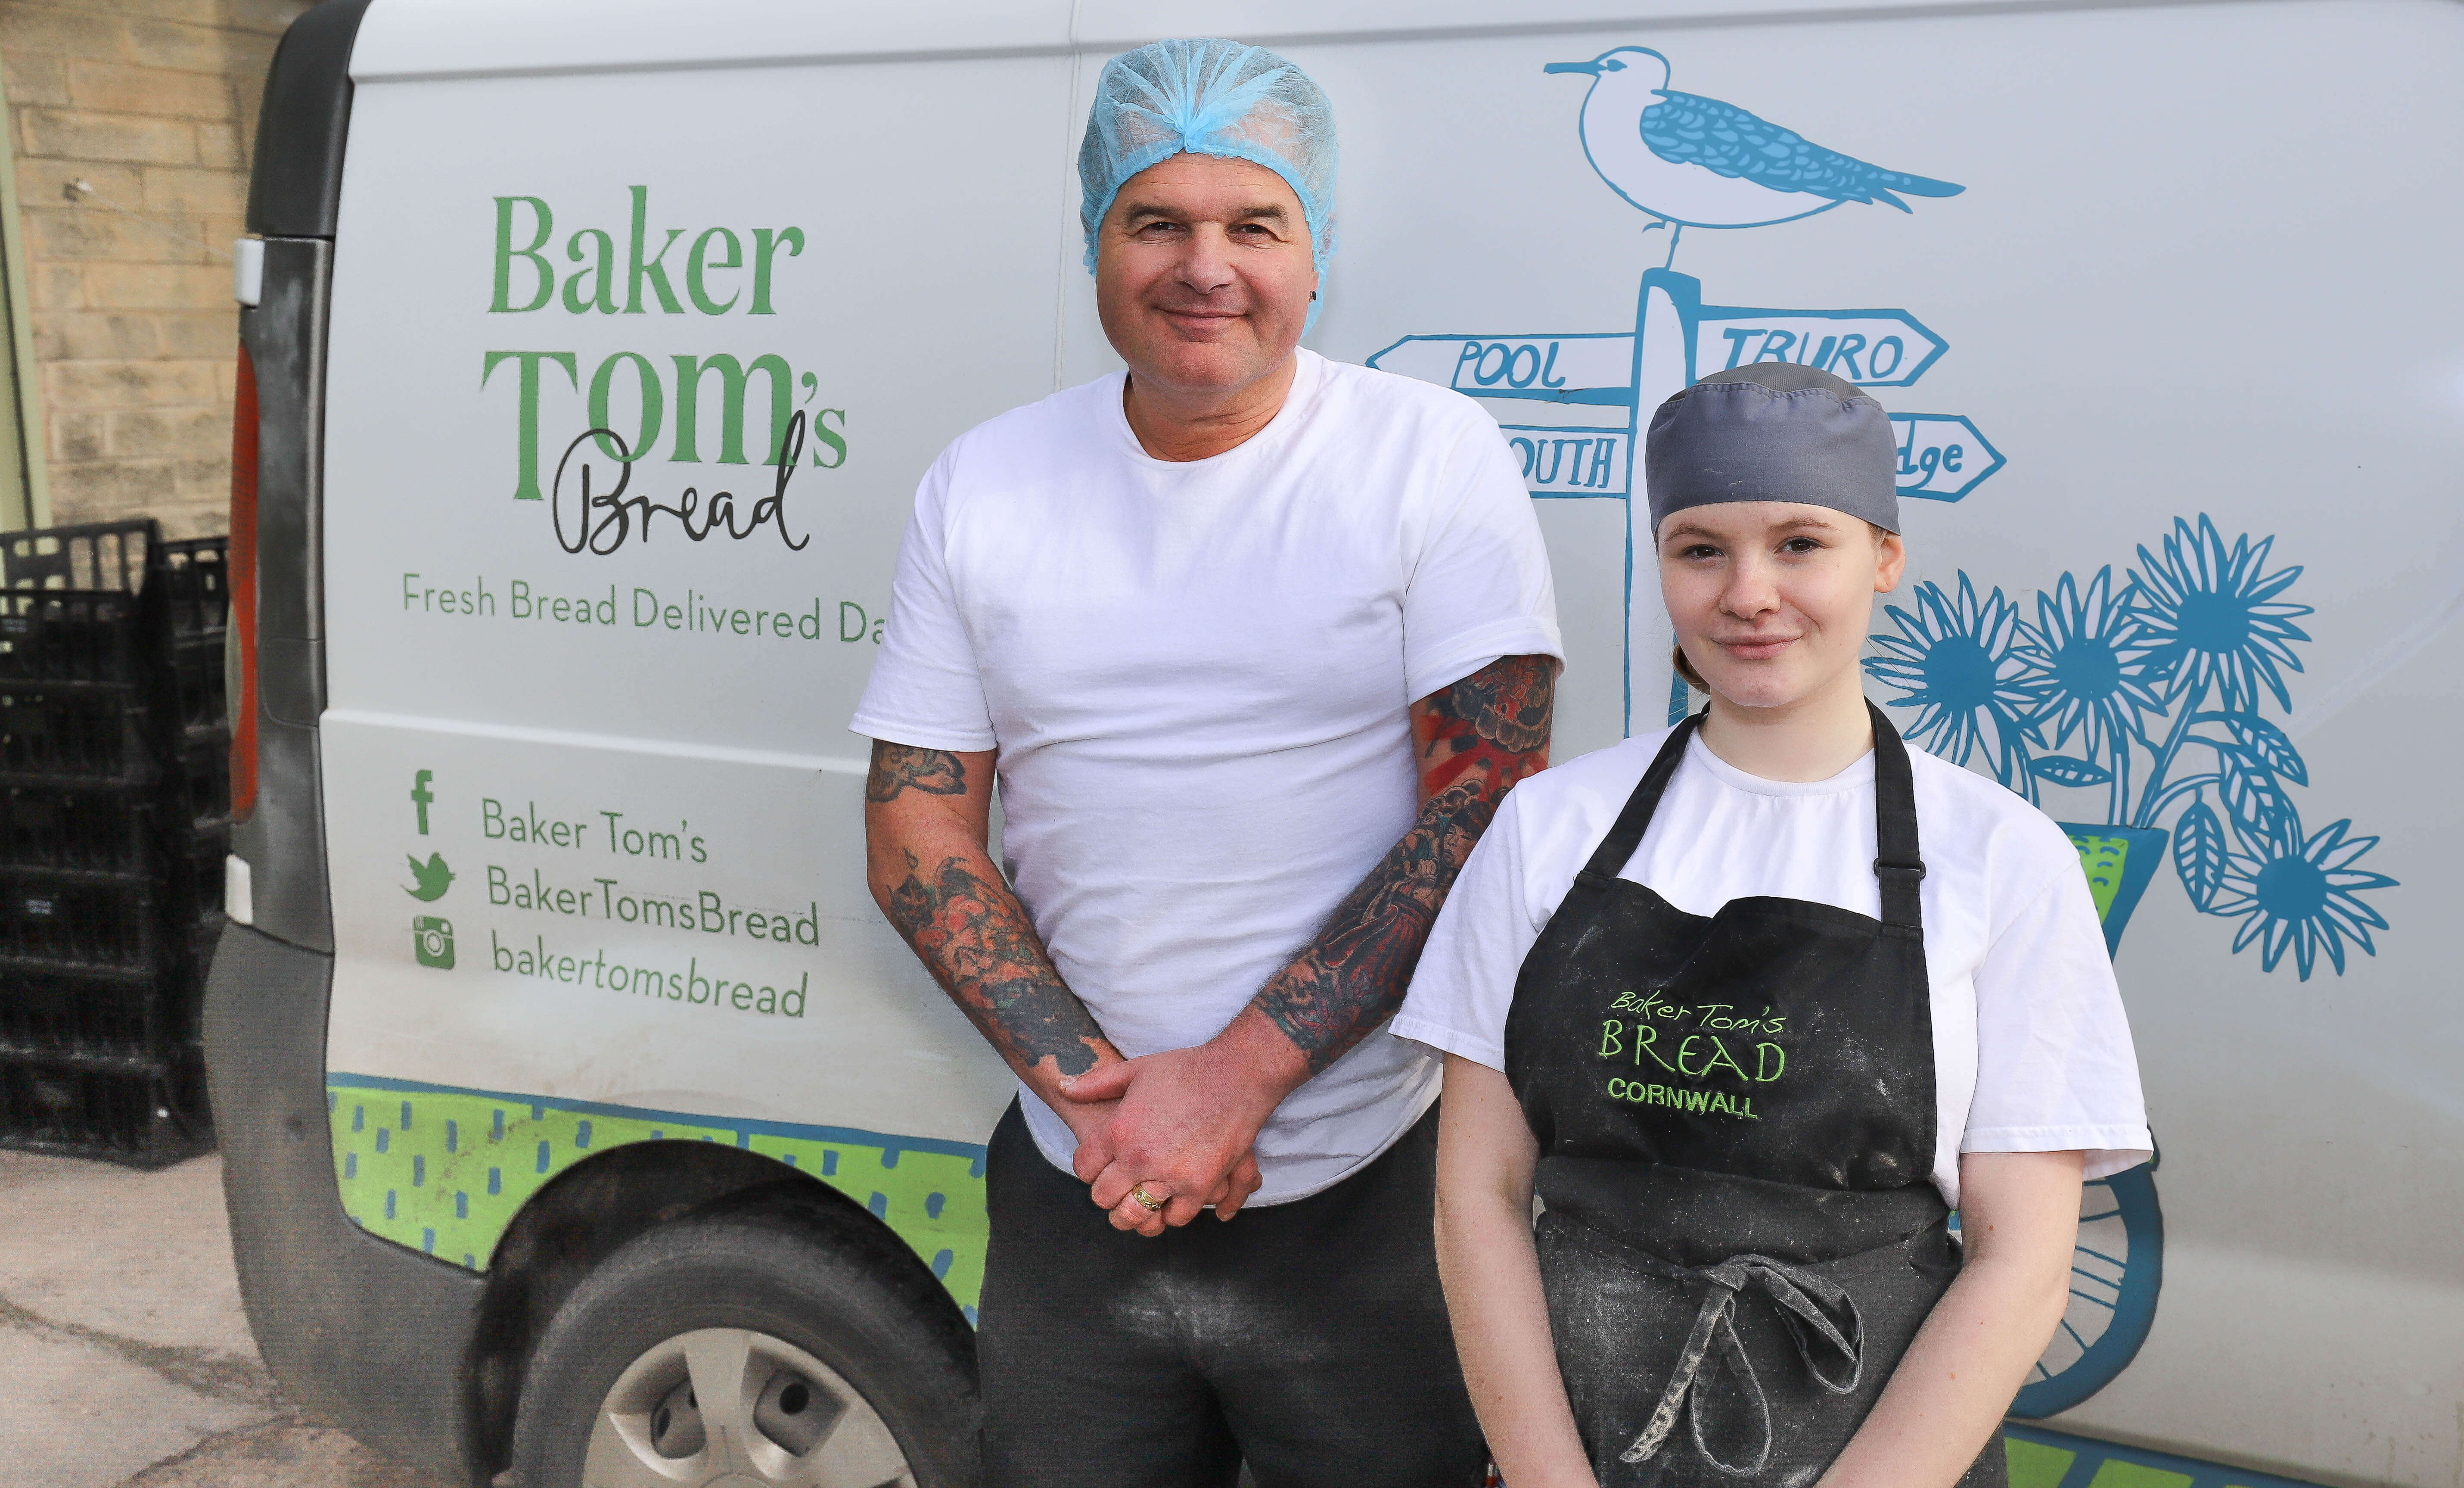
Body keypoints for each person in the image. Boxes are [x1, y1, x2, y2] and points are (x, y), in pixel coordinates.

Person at [851, 38, 1562, 1488]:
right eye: (1155, 221)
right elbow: (917, 832)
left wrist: (1235, 1082)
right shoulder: (983, 482)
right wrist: (1109, 1105)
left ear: (1318, 252)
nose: (1205, 267)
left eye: (1254, 224)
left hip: (1371, 1197)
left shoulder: (1425, 455)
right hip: (1077, 1192)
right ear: (1095, 241)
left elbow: (1485, 809)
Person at [1395, 364, 2151, 1488]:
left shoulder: (1999, 856)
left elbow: (2025, 1261)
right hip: (1580, 1438)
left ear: (1884, 558)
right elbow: (1477, 1195)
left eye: (1799, 544)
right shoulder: (1548, 828)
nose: (1748, 593)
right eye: (1700, 549)